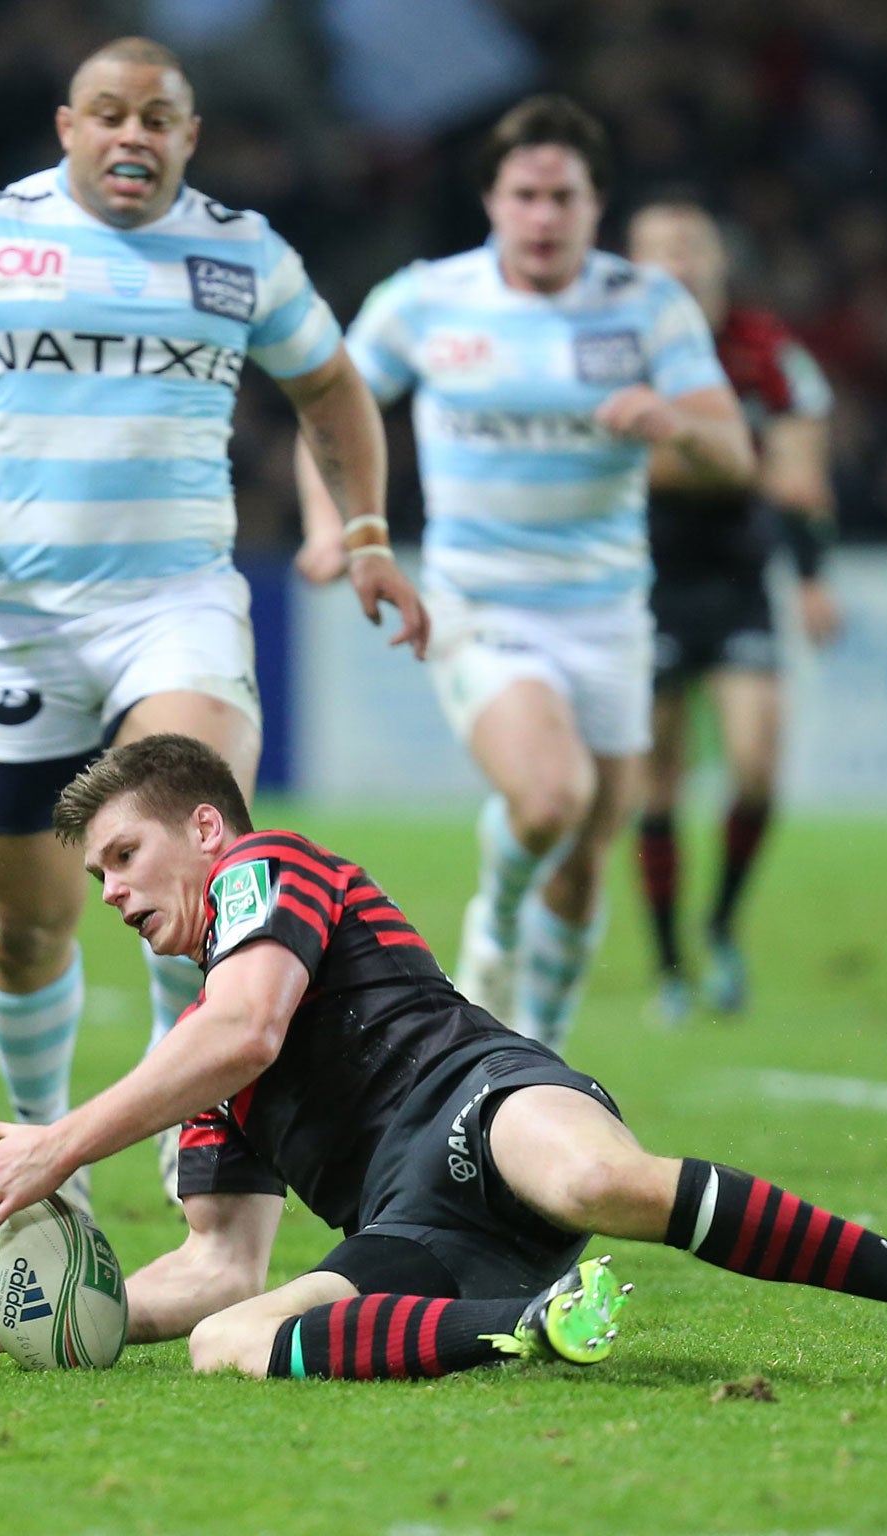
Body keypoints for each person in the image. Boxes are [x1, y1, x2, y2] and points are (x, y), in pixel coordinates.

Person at [0, 735, 887, 1379]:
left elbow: (252, 1028)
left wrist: (61, 1142)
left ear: (207, 830)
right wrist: (78, 1310)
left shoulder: (264, 871)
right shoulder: (189, 1068)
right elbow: (220, 1268)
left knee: (599, 1182)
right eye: (98, 879)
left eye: (125, 857)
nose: (114, 892)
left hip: (481, 1101)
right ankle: (523, 1325)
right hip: (416, 1231)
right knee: (231, 1344)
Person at [0, 39, 425, 1176]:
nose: (131, 134)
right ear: (67, 126)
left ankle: (185, 1129)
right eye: (108, 113)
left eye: (156, 118)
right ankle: (47, 1152)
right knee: (29, 925)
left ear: (188, 137)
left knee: (197, 869)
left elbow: (330, 385)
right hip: (15, 622)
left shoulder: (240, 255)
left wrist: (367, 532)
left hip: (172, 604)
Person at [298, 98, 752, 1049]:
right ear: (492, 202)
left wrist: (676, 426)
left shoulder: (647, 305)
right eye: (526, 196)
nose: (544, 217)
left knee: (588, 856)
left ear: (596, 207)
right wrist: (335, 526)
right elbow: (332, 407)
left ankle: (534, 1048)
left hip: (610, 613)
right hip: (477, 602)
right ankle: (496, 919)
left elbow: (734, 454)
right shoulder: (428, 299)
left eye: (564, 197)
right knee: (550, 797)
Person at [624, 200, 841, 1025]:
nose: (677, 261)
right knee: (659, 779)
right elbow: (650, 472)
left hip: (741, 580)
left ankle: (718, 927)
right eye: (659, 248)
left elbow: (802, 476)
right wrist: (739, 459)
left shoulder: (767, 352)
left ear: (720, 260)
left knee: (756, 766)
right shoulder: (614, 345)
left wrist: (813, 573)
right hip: (644, 580)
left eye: (691, 245)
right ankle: (671, 963)